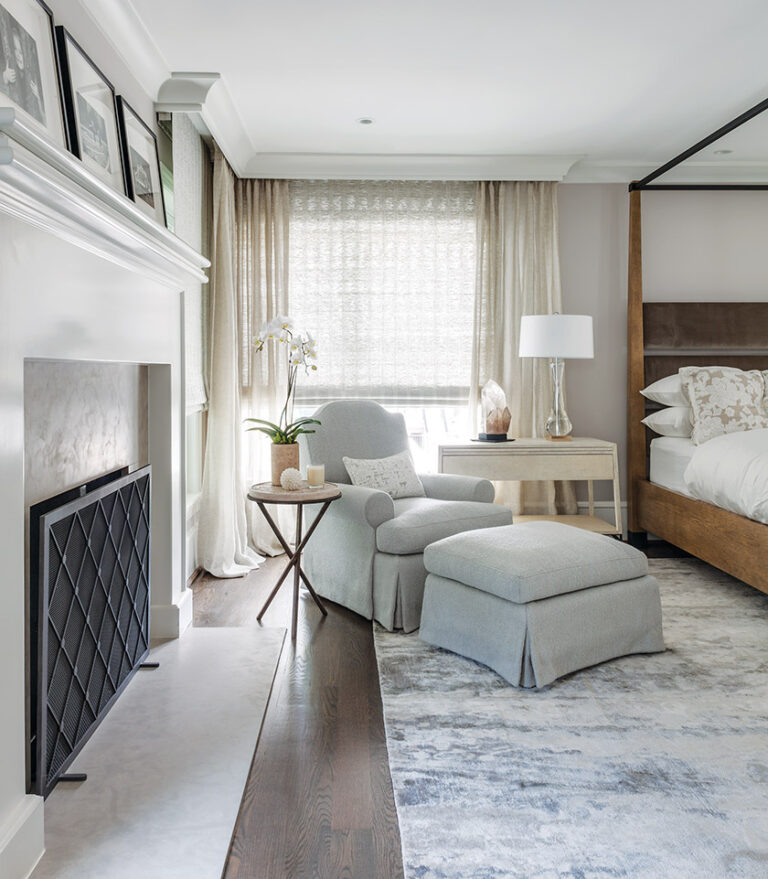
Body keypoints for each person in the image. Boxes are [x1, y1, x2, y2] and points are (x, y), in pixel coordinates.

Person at [2, 21, 44, 124]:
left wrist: (38, 97)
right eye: (15, 50)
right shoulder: (11, 69)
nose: (17, 56)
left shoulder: (33, 78)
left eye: (20, 52)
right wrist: (4, 77)